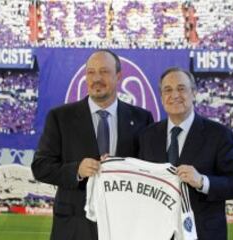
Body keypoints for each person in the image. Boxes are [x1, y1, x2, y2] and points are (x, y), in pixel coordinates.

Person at [31, 50, 154, 240]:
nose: (97, 78)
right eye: (91, 72)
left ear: (118, 76)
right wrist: (76, 170)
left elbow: (149, 170)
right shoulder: (60, 117)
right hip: (74, 227)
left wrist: (124, 166)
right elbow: (40, 167)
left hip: (123, 225)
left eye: (104, 71)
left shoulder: (141, 119)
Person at [139, 67, 233, 240]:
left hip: (202, 234)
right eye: (168, 90)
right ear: (161, 97)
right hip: (157, 233)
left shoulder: (219, 134)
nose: (175, 95)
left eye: (181, 88)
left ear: (194, 93)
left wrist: (202, 181)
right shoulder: (148, 135)